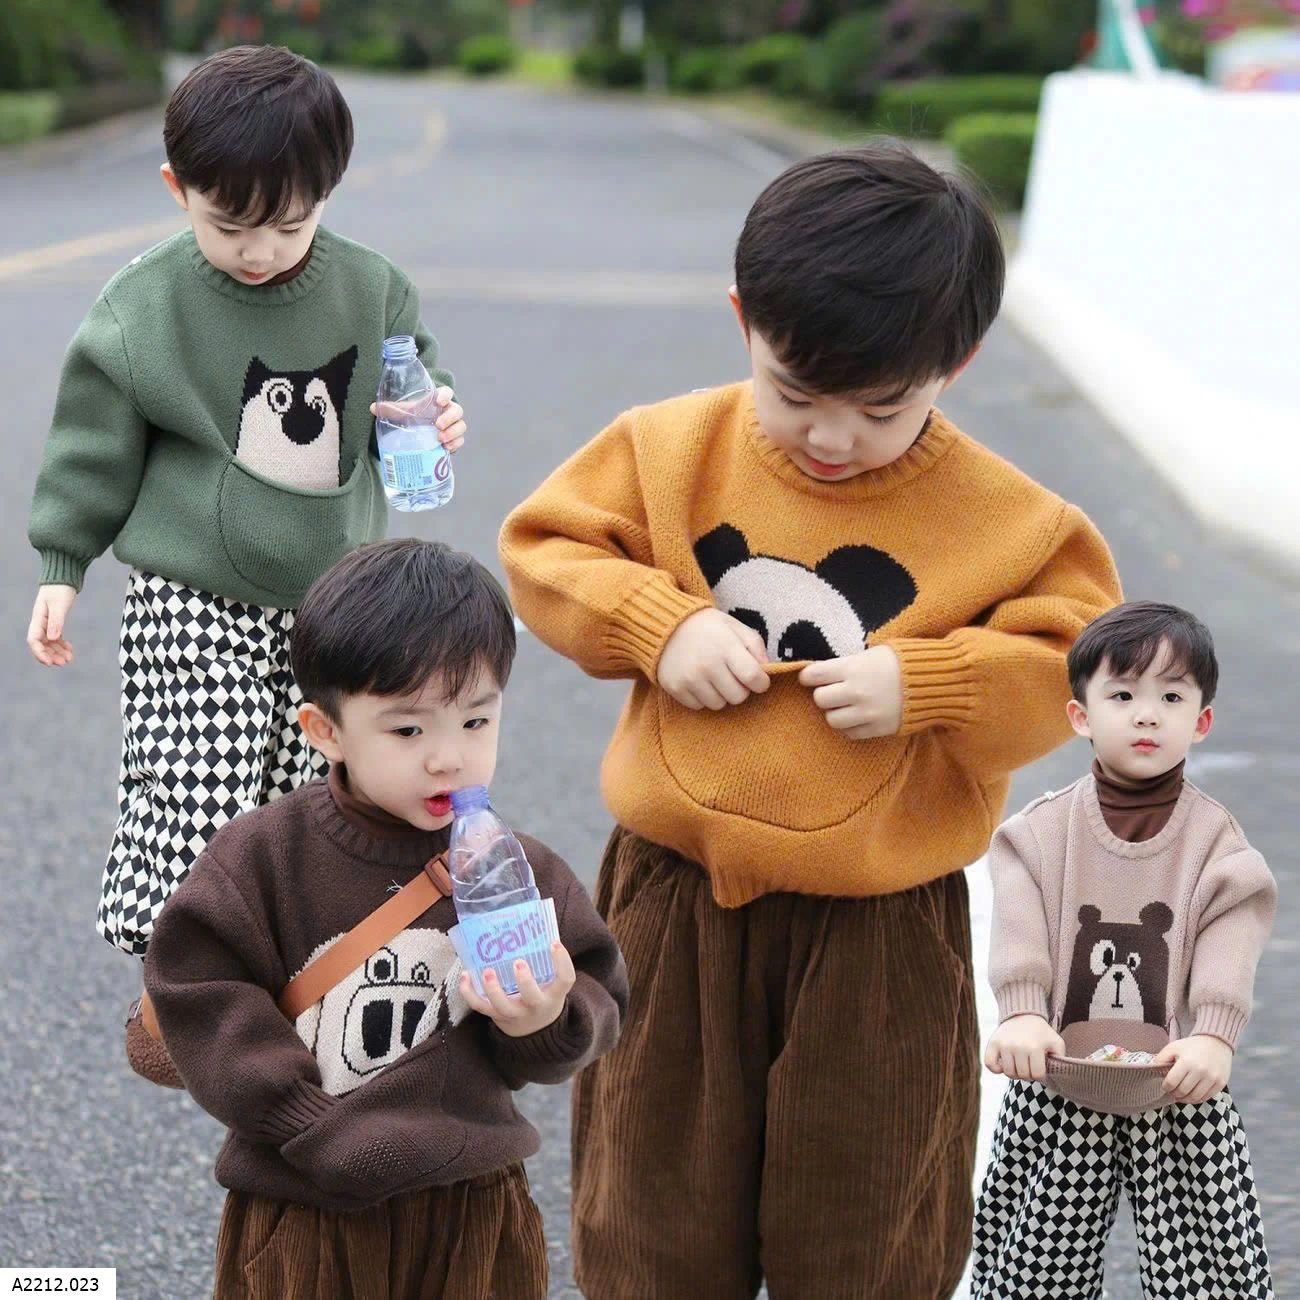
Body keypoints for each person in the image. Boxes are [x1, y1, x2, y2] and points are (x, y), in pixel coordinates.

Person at [498, 142, 1123, 1298]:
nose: (831, 438)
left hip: (880, 927)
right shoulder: (670, 448)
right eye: (792, 395)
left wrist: (928, 682)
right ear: (745, 321)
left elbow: (1077, 663)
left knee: (865, 1220)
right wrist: (659, 625)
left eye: (882, 408)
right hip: (674, 896)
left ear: (955, 365)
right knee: (652, 1211)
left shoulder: (1010, 519)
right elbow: (545, 547)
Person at [25, 44, 467, 957]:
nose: (259, 252)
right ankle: (184, 976)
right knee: (197, 787)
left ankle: (294, 970)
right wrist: (62, 564)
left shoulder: (372, 291)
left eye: (288, 225)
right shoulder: (143, 306)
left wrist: (432, 415)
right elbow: (92, 444)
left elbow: (411, 385)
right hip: (191, 600)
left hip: (333, 604)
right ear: (177, 188)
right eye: (229, 226)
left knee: (315, 795)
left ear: (326, 196)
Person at [143, 538, 628, 1299]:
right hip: (305, 1204)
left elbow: (593, 997)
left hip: (473, 1202)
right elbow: (199, 990)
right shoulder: (264, 857)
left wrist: (543, 1021)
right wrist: (306, 1121)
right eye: (408, 730)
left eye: (476, 721)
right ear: (325, 730)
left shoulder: (515, 866)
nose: (448, 758)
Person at [973, 601, 1276, 1299]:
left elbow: (1232, 930)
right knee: (1034, 1265)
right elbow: (1020, 927)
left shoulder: (1216, 845)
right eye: (1123, 696)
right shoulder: (1039, 834)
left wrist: (1214, 1035)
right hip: (1058, 1075)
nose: (1147, 716)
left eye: (1171, 697)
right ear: (1080, 715)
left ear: (1201, 721)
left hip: (1178, 1082)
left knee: (1209, 1267)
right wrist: (1022, 1012)